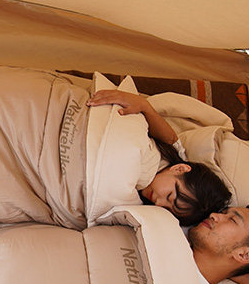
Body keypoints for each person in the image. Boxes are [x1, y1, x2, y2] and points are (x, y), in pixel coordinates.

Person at [87, 89, 231, 226]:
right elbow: (149, 113)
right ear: (180, 169)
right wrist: (140, 103)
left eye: (167, 209)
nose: (158, 203)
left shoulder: (140, 204)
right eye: (169, 196)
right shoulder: (171, 151)